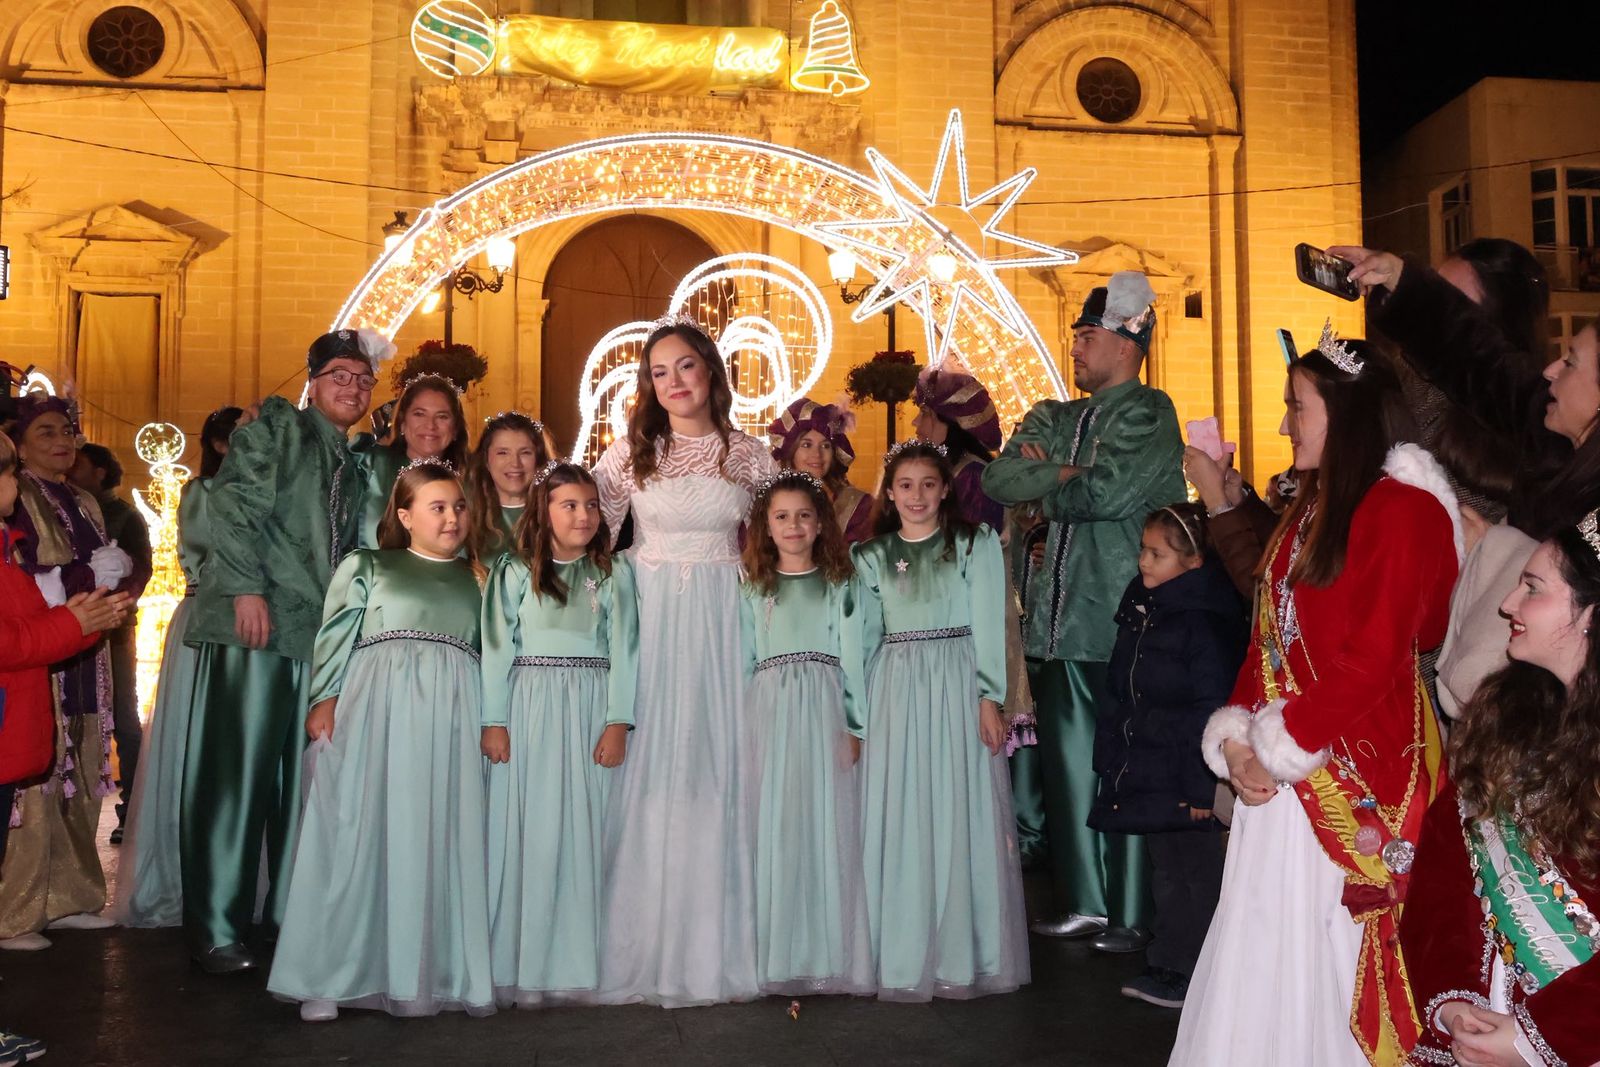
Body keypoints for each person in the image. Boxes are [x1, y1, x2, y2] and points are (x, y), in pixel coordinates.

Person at [1173, 327, 1460, 1066]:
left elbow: (1374, 661)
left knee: (1332, 955)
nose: (1282, 424)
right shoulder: (1309, 510)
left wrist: (1277, 748)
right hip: (1286, 768)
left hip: (1351, 765)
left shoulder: (1402, 511)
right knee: (1266, 947)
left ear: (1347, 412)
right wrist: (1236, 739)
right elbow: (1266, 643)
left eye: (1296, 407)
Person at [982, 270, 1185, 952]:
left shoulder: (1149, 412)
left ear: (1127, 343)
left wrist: (1054, 483)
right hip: (1056, 628)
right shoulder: (1055, 413)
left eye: (1087, 335)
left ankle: (1131, 913)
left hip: (1122, 621)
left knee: (1124, 766)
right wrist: (1066, 477)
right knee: (1069, 769)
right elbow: (999, 479)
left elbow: (1112, 493)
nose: (1074, 346)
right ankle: (1087, 903)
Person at [181, 328, 387, 974]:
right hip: (259, 623)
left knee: (297, 781)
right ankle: (216, 927)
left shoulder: (354, 457)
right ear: (312, 380)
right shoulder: (276, 430)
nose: (351, 388)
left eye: (362, 379)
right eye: (339, 377)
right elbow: (232, 509)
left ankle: (284, 918)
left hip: (313, 634)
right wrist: (244, 588)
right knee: (238, 776)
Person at [591, 316, 776, 1007]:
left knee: (719, 760)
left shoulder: (749, 456)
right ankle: (644, 932)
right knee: (654, 761)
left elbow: (779, 542)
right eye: (658, 372)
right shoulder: (630, 454)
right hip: (652, 614)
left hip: (726, 618)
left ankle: (719, 936)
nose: (672, 382)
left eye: (685, 367)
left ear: (711, 372)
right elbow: (593, 538)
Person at [268, 461, 492, 1021]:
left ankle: (427, 970)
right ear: (404, 515)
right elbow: (336, 634)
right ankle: (325, 975)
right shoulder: (369, 565)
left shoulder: (479, 578)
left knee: (433, 834)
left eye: (459, 507)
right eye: (437, 507)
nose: (451, 518)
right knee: (353, 832)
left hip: (451, 719)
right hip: (377, 712)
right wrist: (324, 698)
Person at [1401, 519, 1600, 1067]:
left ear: (1591, 614)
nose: (1509, 603)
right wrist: (1454, 1002)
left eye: (1533, 588)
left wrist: (1538, 1041)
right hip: (1487, 1023)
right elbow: (1443, 877)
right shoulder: (1504, 721)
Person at [847, 441, 1029, 1000]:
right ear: (890, 492)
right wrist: (858, 719)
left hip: (956, 680)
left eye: (929, 484)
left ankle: (963, 951)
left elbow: (989, 622)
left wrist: (989, 698)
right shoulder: (870, 556)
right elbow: (860, 640)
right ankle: (900, 951)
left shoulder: (973, 544)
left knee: (958, 805)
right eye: (906, 485)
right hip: (896, 687)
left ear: (946, 488)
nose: (918, 495)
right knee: (901, 809)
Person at [480, 461, 638, 1007]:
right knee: (530, 829)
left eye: (591, 505)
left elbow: (626, 649)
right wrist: (494, 720)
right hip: (530, 709)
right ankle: (518, 961)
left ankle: (573, 961)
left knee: (582, 831)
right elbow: (497, 647)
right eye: (569, 505)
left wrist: (618, 720)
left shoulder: (614, 574)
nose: (584, 515)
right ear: (542, 512)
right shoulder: (515, 570)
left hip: (591, 708)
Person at [0, 427, 130, 1062]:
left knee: (81, 775)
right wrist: (79, 580)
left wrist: (107, 594)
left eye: (68, 432)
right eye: (45, 432)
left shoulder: (82, 500)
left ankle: (72, 893)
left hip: (75, 653)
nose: (62, 442)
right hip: (34, 662)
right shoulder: (16, 507)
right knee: (33, 791)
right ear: (17, 449)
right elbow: (24, 593)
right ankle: (19, 909)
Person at [1088, 503, 1245, 1010]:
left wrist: (1206, 786)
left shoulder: (1203, 621)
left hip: (1188, 773)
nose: (1144, 562)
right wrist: (1115, 753)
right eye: (1143, 549)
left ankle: (1193, 971)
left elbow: (1213, 707)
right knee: (1167, 870)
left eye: (1158, 553)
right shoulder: (1142, 611)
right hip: (1153, 763)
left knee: (1196, 876)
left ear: (1194, 562)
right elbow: (1122, 689)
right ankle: (1169, 962)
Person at [738, 469, 872, 996]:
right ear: (765, 528)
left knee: (824, 821)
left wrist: (855, 725)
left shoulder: (841, 585)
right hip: (769, 711)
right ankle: (777, 948)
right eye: (781, 517)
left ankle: (825, 948)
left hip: (823, 710)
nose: (793, 526)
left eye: (803, 516)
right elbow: (742, 659)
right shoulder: (753, 588)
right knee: (776, 821)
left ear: (821, 525)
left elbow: (855, 660)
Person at [113, 407, 241, 928]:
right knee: (195, 736)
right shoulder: (201, 494)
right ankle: (182, 872)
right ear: (215, 444)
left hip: (251, 623)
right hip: (208, 616)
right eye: (237, 439)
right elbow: (206, 557)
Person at [70, 442, 153, 844]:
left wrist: (115, 601)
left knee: (123, 716)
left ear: (100, 471)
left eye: (80, 463)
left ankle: (131, 808)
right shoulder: (68, 507)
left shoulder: (125, 515)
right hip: (71, 628)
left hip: (115, 632)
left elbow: (141, 570)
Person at [356, 372, 469, 548]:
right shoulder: (369, 464)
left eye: (442, 416)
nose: (430, 425)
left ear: (455, 429)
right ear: (402, 422)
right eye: (419, 414)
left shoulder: (470, 481)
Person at [767, 397, 872, 543]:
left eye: (825, 446)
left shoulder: (856, 506)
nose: (817, 454)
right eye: (806, 445)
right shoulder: (769, 500)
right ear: (791, 451)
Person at [912, 366, 1004, 531]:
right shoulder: (952, 469)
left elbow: (969, 547)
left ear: (950, 422)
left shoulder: (972, 477)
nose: (915, 422)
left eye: (924, 413)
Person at [464, 411, 552, 563]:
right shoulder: (464, 512)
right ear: (486, 460)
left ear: (539, 460)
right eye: (502, 453)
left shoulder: (554, 512)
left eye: (525, 453)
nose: (515, 463)